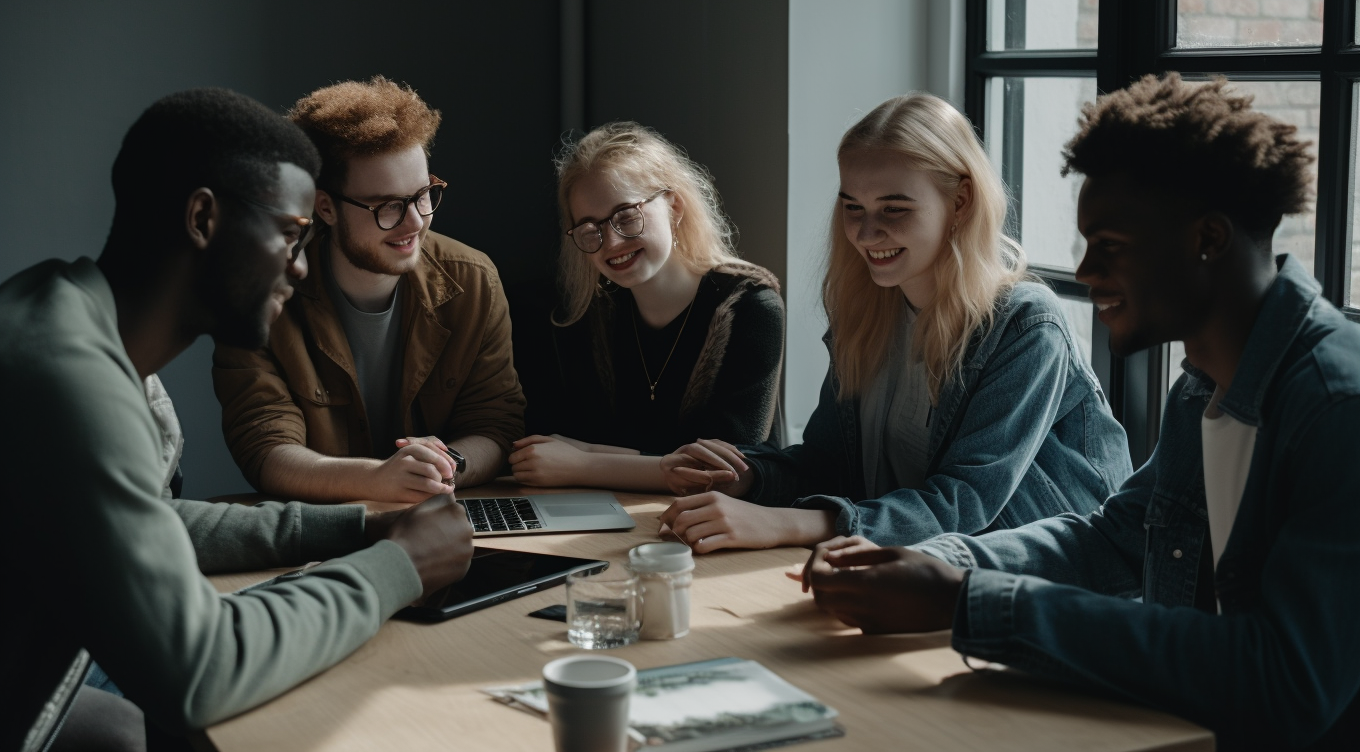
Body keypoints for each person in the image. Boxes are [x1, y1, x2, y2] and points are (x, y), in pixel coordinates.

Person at [802, 74, 1360, 751]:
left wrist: (964, 601)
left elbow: (1289, 682)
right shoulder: (1208, 382)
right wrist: (938, 563)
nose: (1086, 270)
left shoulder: (1336, 407)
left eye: (1111, 245)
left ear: (1207, 239)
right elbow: (1115, 539)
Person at [2, 89, 475, 751]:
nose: (300, 264)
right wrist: (401, 565)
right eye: (289, 233)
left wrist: (363, 526)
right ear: (203, 218)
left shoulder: (66, 315)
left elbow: (150, 520)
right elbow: (202, 670)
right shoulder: (67, 375)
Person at [657, 93, 1131, 552]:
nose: (865, 233)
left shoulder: (1026, 325)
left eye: (894, 209)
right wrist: (750, 475)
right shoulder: (867, 312)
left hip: (1035, 592)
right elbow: (829, 462)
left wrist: (782, 522)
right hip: (907, 570)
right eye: (853, 207)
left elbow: (964, 504)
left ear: (961, 201)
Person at [213, 77, 525, 504]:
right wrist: (378, 479)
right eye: (388, 206)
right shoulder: (263, 295)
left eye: (423, 195)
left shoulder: (473, 280)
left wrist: (442, 466)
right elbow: (265, 446)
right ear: (326, 207)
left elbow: (496, 424)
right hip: (323, 538)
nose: (415, 221)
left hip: (445, 521)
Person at [508, 122, 784, 491]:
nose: (611, 242)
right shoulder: (593, 311)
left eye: (626, 216)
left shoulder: (752, 307)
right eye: (590, 229)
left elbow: (725, 469)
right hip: (622, 518)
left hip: (722, 528)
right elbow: (547, 447)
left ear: (674, 206)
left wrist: (586, 462)